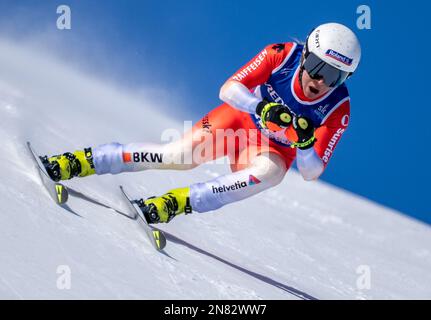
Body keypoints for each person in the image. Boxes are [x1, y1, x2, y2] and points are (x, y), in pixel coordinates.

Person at [44, 22, 361, 224]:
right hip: (236, 123)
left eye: (335, 75)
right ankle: (81, 161)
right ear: (306, 55)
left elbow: (311, 172)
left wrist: (305, 144)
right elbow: (229, 89)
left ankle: (176, 203)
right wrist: (261, 107)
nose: (322, 80)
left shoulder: (337, 106)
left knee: (271, 174)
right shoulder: (282, 55)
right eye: (318, 66)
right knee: (177, 157)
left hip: (267, 151)